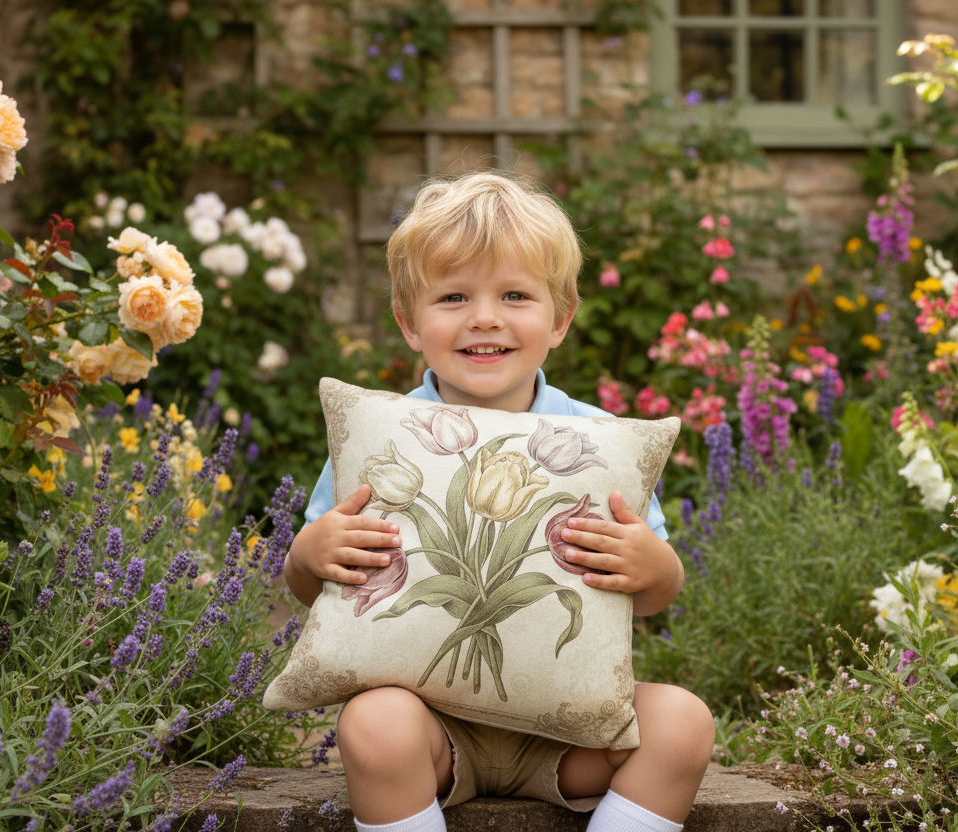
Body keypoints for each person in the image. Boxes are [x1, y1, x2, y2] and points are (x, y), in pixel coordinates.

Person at [284, 172, 714, 832]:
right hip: (430, 730)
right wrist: (311, 553)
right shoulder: (381, 438)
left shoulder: (597, 442)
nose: (485, 317)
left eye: (515, 294)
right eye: (453, 297)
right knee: (371, 722)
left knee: (682, 724)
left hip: (567, 734)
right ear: (409, 322)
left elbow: (656, 591)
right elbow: (314, 589)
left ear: (560, 317)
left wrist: (651, 566)